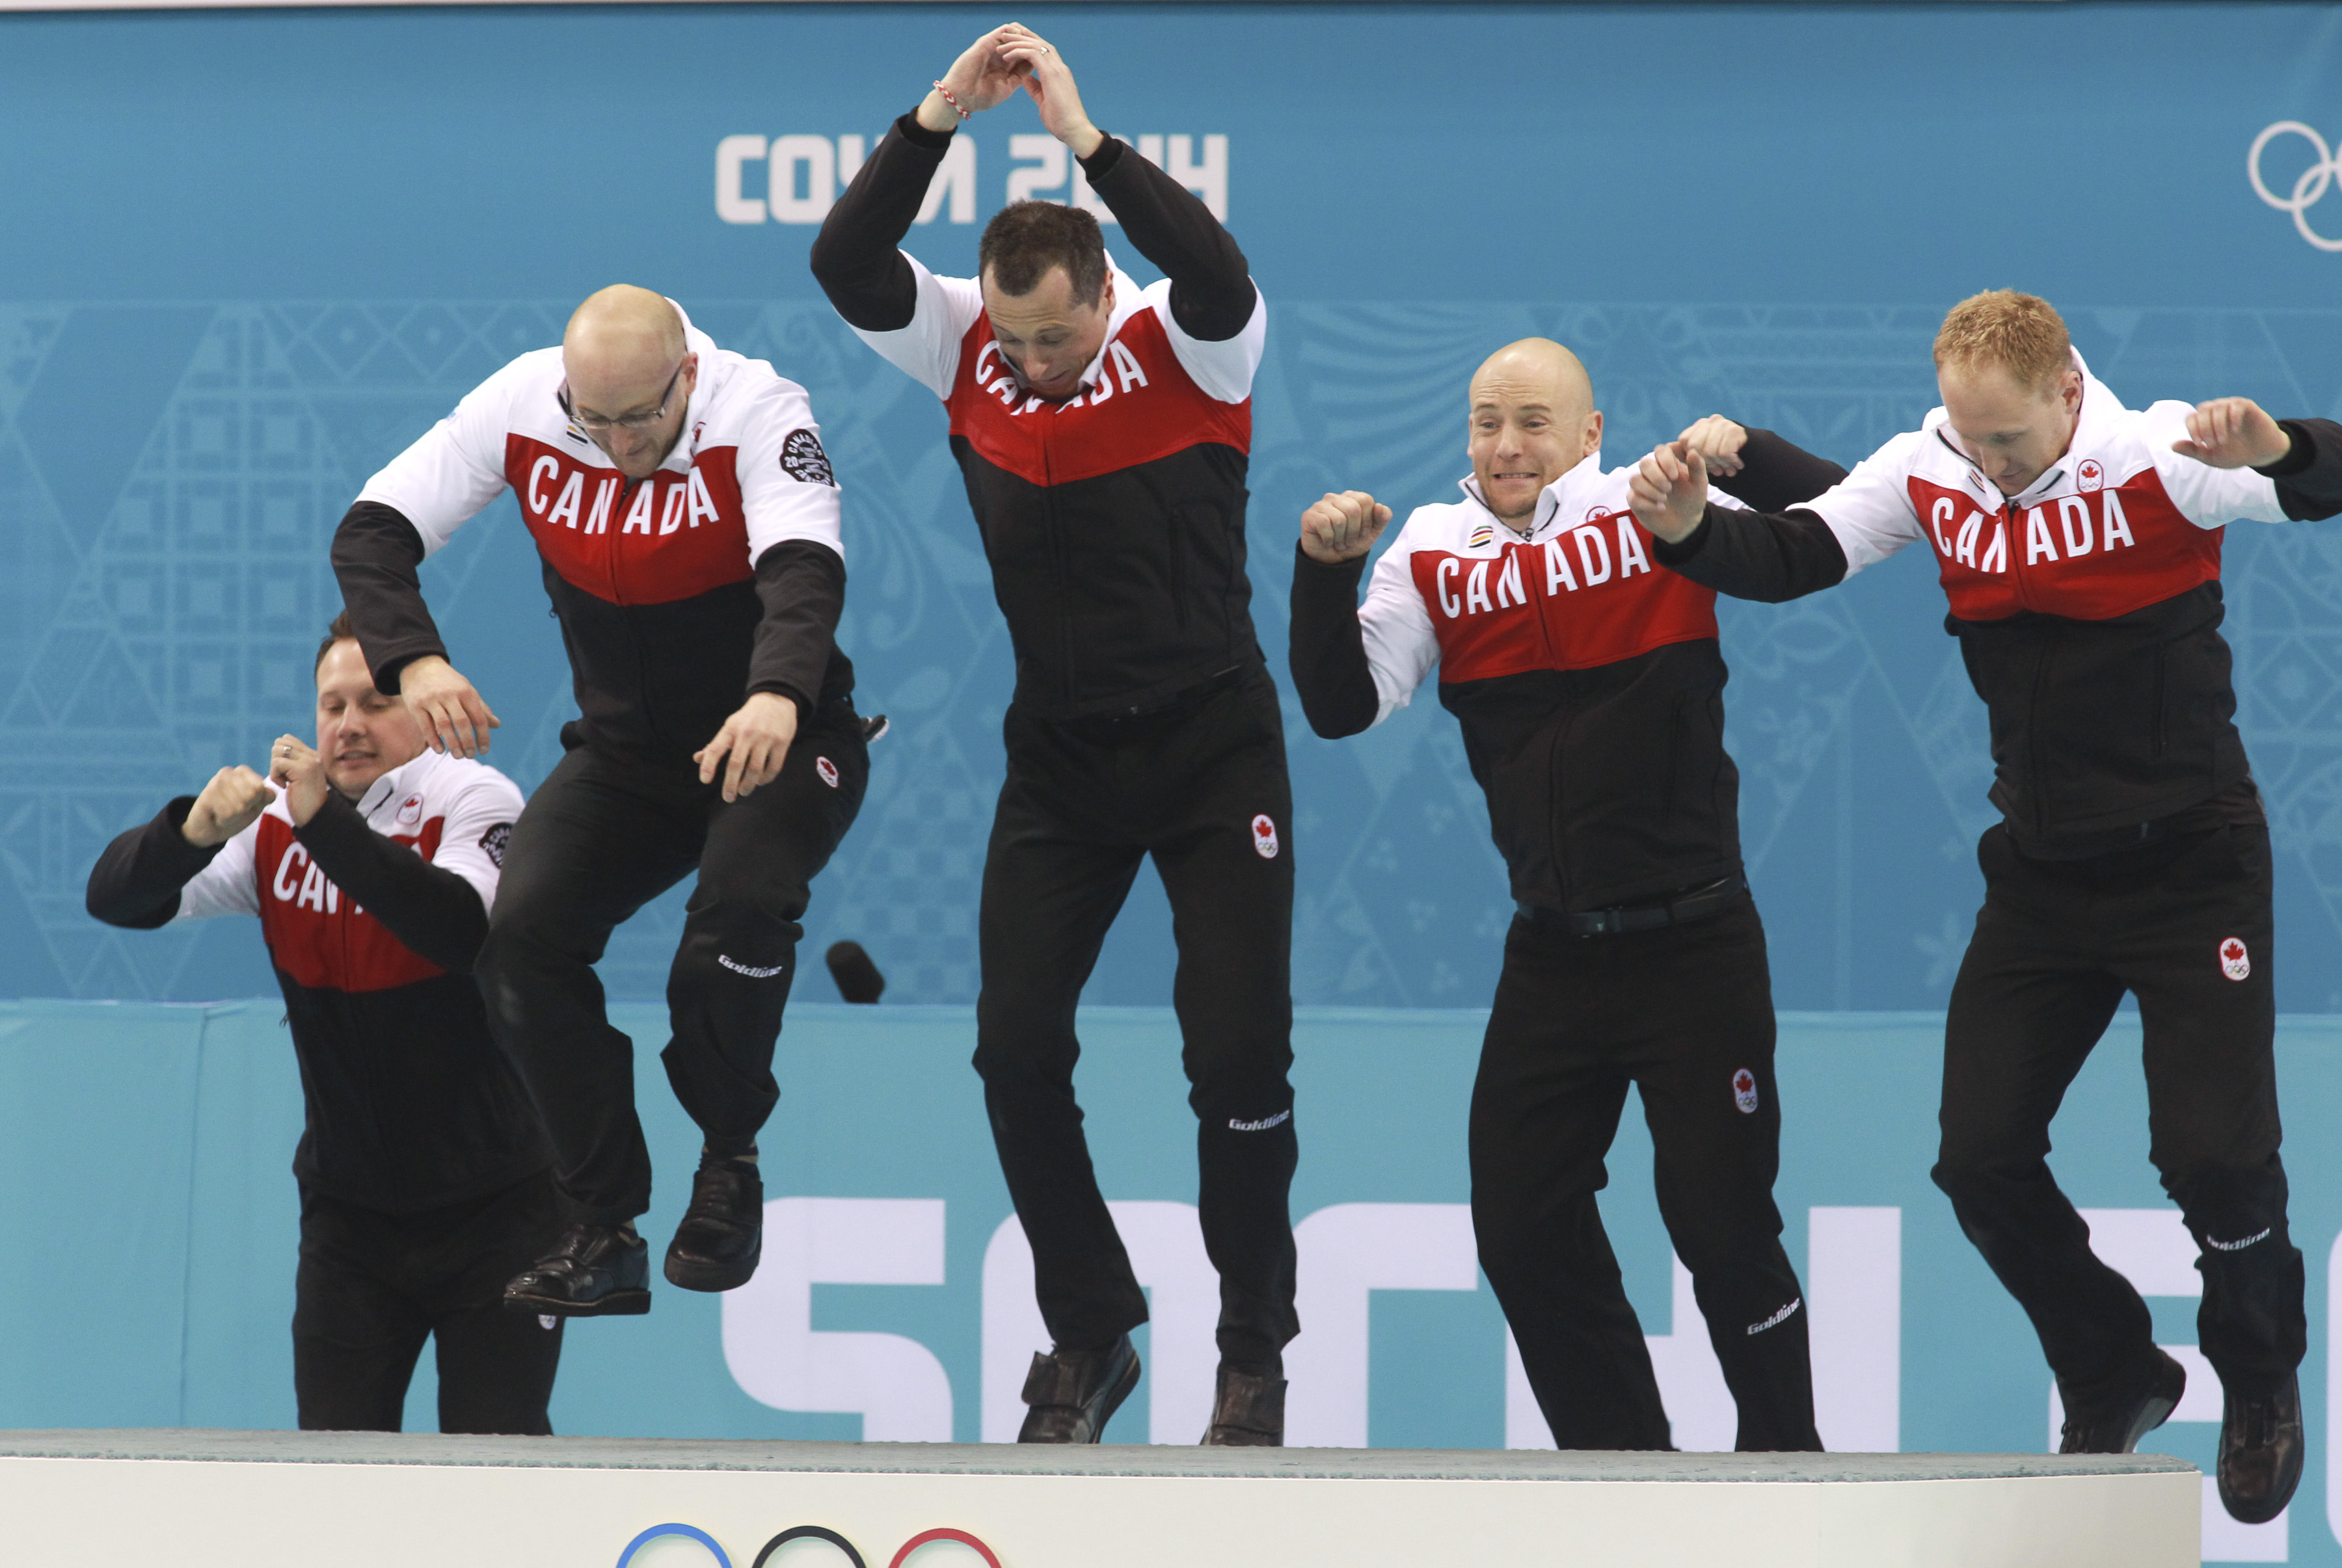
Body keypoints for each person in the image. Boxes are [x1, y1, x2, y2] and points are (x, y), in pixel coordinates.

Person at [1630, 289, 2342, 1519]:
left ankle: (2262, 1374)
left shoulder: (2163, 458)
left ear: (2070, 388)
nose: (1988, 465)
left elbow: (2319, 485)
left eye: (2007, 439)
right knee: (1979, 1161)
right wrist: (1692, 528)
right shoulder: (1934, 466)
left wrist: (2279, 449)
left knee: (2215, 1159)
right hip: (2042, 880)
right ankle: (2113, 1361)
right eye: (1969, 437)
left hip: (2191, 866)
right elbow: (1801, 552)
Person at [810, 24, 1293, 1444]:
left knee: (1238, 1054)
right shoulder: (968, 344)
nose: (1035, 361)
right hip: (1063, 763)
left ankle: (1254, 1347)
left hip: (1215, 745)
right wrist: (934, 118)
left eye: (1058, 333)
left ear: (1102, 292)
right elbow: (846, 263)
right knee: (1014, 1047)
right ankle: (1091, 1326)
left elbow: (1214, 265)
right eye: (1014, 337)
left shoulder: (1189, 340)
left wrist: (1084, 136)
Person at [1288, 338, 1839, 1452]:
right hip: (1554, 957)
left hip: (1696, 943)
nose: (1506, 445)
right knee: (1522, 1228)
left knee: (1721, 1225)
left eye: (1534, 422)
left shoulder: (1660, 504)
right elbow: (1343, 706)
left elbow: (1844, 517)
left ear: (1591, 434)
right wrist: (1321, 569)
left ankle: (1791, 1473)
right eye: (1488, 422)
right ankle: (1627, 1479)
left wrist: (1749, 452)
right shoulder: (1433, 552)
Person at [330, 286, 871, 1316]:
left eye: (641, 417)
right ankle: (603, 1225)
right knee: (522, 939)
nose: (618, 442)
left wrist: (775, 693)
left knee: (736, 910)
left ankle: (728, 1158)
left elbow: (806, 568)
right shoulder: (530, 401)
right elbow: (370, 533)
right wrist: (415, 661)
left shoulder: (759, 409)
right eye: (596, 418)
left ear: (687, 376)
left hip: (778, 735)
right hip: (628, 755)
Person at [86, 614, 560, 1433]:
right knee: (335, 1482)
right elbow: (116, 900)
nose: (349, 725)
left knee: (497, 1470)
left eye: (376, 702)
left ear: (424, 708)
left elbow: (458, 930)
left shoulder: (473, 796)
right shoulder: (276, 825)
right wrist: (191, 832)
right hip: (351, 1224)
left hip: (498, 1212)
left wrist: (322, 823)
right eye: (331, 705)